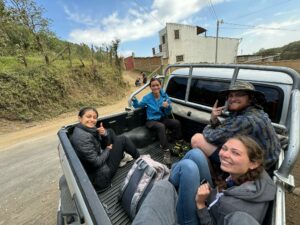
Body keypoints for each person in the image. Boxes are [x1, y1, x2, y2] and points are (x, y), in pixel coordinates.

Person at [133, 135, 276, 225]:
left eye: (235, 153)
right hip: (215, 198)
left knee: (183, 170)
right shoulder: (255, 175)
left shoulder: (237, 212)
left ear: (253, 163)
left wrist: (200, 203)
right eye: (225, 148)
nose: (225, 155)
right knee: (195, 154)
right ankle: (175, 175)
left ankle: (170, 181)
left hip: (202, 214)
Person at [191, 80, 281, 172]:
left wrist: (211, 122)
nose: (233, 99)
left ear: (250, 98)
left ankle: (213, 178)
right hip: (264, 161)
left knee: (197, 139)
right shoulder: (255, 111)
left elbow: (212, 137)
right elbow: (225, 132)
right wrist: (214, 119)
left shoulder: (246, 120)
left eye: (239, 94)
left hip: (257, 169)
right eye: (230, 95)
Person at [70, 107, 140, 192]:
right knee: (122, 139)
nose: (92, 120)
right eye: (88, 117)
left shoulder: (83, 129)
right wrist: (107, 149)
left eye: (94, 117)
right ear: (80, 118)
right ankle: (141, 159)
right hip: (101, 176)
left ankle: (121, 157)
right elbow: (96, 163)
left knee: (109, 131)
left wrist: (104, 134)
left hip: (97, 166)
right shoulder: (82, 138)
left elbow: (99, 142)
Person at [132, 77, 182, 166]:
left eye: (157, 85)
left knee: (176, 123)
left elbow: (168, 112)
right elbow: (138, 106)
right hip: (151, 121)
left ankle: (177, 141)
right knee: (161, 126)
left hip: (162, 119)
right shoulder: (147, 98)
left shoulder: (164, 96)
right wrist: (134, 100)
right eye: (153, 86)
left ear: (160, 86)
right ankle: (166, 152)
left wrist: (167, 107)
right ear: (150, 87)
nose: (155, 87)